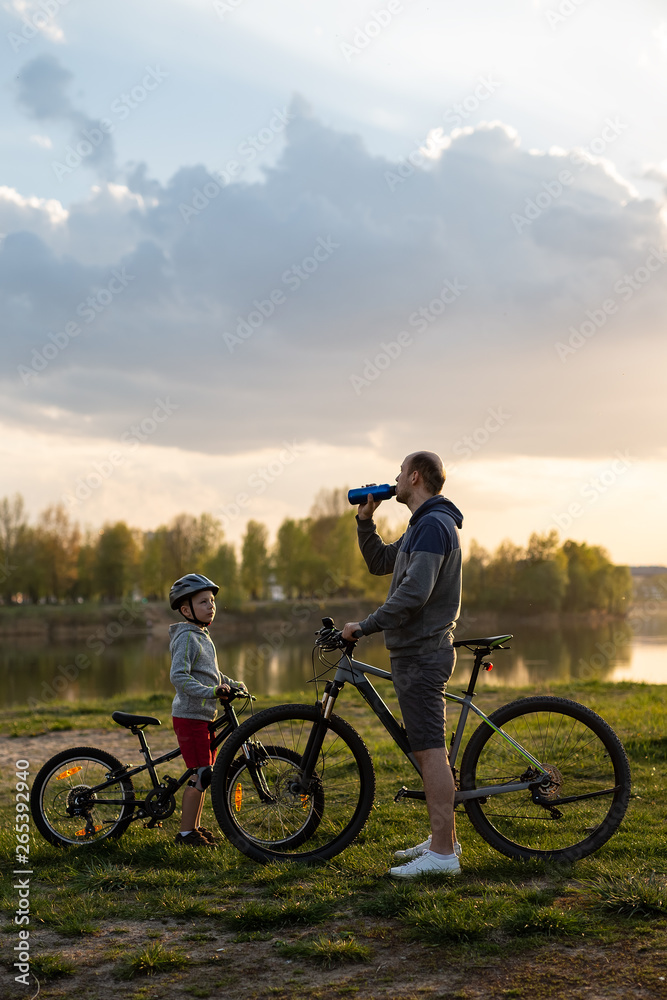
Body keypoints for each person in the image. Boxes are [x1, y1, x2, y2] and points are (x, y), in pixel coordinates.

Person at [341, 451, 463, 878]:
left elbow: (414, 594)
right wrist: (364, 521)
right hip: (415, 652)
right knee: (427, 748)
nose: (392, 480)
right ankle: (439, 839)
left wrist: (366, 625)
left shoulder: (433, 525)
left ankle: (444, 856)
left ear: (414, 477)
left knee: (430, 750)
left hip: (423, 653)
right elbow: (380, 563)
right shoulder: (420, 527)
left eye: (398, 473)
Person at [168, 573, 247, 847]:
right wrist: (211, 692)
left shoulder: (202, 636)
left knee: (206, 772)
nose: (211, 605)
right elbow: (179, 676)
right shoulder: (186, 638)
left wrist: (230, 683)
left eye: (212, 601)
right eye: (203, 601)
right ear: (186, 609)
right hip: (190, 716)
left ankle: (195, 828)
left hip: (203, 717)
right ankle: (185, 834)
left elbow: (210, 673)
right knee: (200, 774)